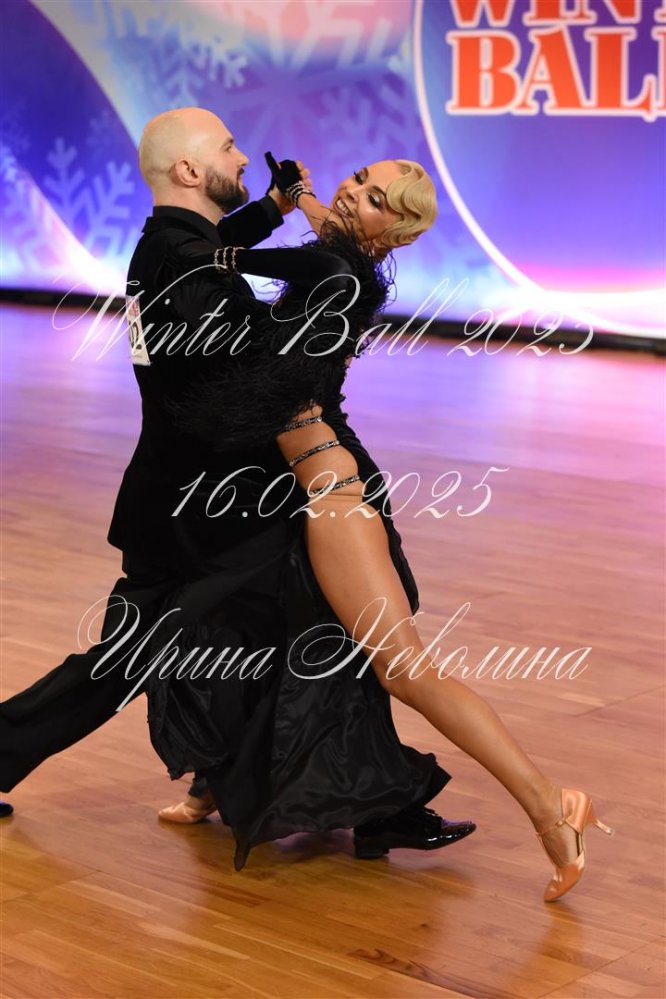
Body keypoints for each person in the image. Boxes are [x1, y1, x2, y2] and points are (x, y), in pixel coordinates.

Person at [0, 108, 474, 862]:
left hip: (205, 494)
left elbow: (217, 250)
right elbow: (257, 361)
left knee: (312, 632)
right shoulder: (188, 265)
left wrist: (282, 212)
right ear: (191, 171)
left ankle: (363, 797)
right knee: (153, 655)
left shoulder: (170, 245)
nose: (244, 155)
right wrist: (338, 293)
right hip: (201, 506)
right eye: (227, 148)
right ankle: (330, 793)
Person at [152, 153, 616, 901]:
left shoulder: (338, 273)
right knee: (252, 629)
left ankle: (551, 806)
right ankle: (217, 783)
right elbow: (324, 229)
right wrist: (302, 194)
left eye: (374, 199)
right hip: (293, 485)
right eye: (359, 178)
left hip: (331, 492)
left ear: (394, 231)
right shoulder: (342, 253)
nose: (353, 193)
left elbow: (291, 262)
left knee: (403, 670)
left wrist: (218, 255)